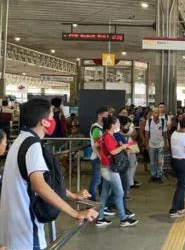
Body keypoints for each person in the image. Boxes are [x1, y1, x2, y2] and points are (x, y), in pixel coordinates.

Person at [0, 98, 98, 250]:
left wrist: (72, 196)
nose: (54, 120)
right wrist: (75, 213)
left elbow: (36, 182)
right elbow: (39, 185)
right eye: (52, 117)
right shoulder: (32, 145)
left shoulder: (21, 140)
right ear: (44, 122)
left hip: (13, 226)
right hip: (25, 228)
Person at [94, 115, 138, 227]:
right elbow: (113, 152)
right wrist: (123, 146)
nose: (119, 125)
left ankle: (100, 217)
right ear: (113, 125)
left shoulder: (105, 136)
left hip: (106, 167)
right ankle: (123, 218)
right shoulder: (108, 137)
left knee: (104, 193)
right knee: (119, 193)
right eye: (118, 123)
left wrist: (101, 157)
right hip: (110, 169)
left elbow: (95, 146)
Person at [169, 117, 185, 218]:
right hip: (183, 162)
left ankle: (181, 208)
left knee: (181, 185)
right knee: (181, 187)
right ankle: (173, 210)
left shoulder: (174, 133)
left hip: (175, 161)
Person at [88, 108, 108, 202]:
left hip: (101, 157)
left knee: (101, 180)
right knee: (96, 180)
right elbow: (97, 144)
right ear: (99, 115)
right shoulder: (96, 128)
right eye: (105, 115)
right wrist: (101, 157)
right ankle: (91, 200)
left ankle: (101, 200)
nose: (107, 117)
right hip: (97, 158)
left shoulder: (102, 127)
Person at [145, 108, 169, 183]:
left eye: (158, 113)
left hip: (160, 144)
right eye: (155, 113)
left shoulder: (163, 121)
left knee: (159, 161)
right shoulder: (149, 122)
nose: (157, 114)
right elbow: (146, 133)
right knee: (152, 161)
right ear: (152, 113)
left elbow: (165, 133)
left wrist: (165, 143)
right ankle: (153, 175)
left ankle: (159, 175)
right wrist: (146, 144)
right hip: (151, 144)